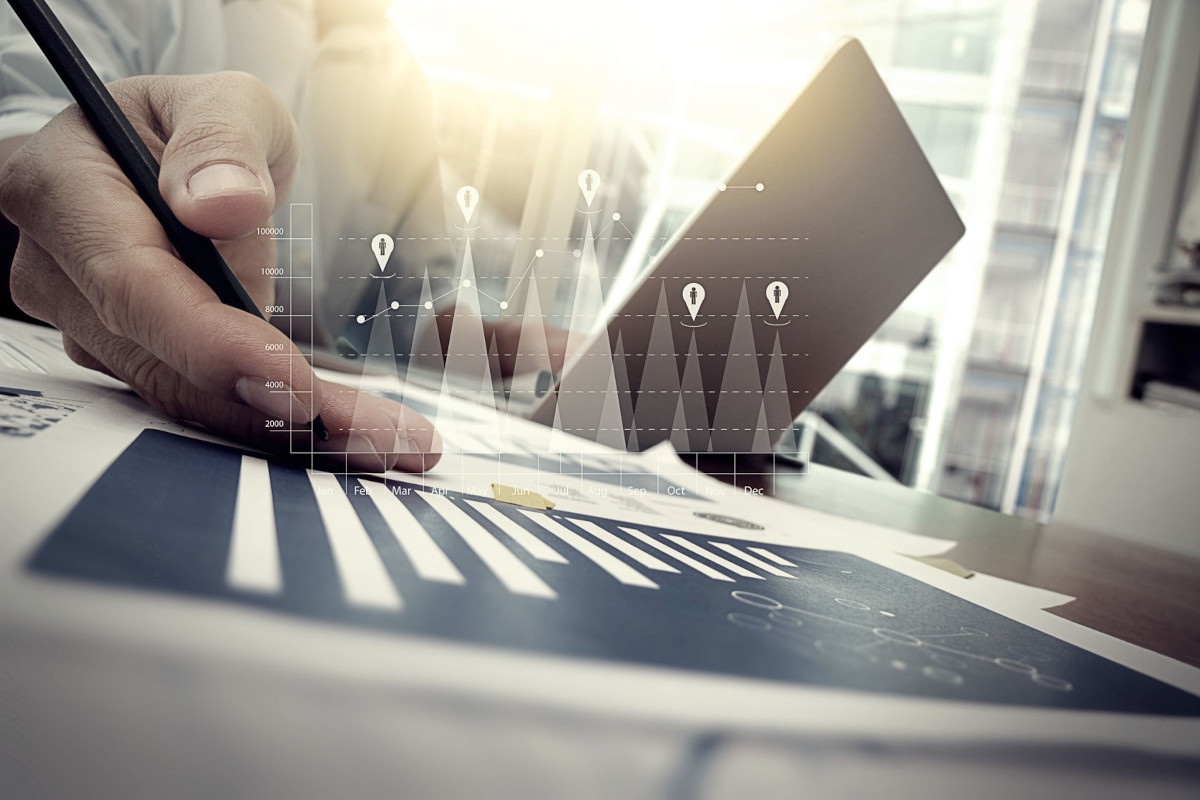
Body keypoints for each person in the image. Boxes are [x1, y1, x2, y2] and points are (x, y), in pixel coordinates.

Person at [0, 0, 544, 473]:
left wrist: (516, 347)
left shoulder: (401, 80)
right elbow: (28, 134)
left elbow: (406, 306)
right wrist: (45, 177)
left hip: (313, 389)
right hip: (65, 376)